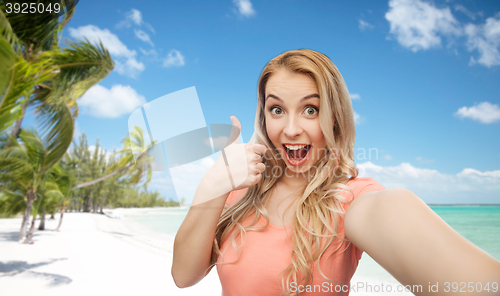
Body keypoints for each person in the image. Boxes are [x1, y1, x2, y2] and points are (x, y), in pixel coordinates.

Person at [171, 49, 500, 295]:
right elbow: (184, 276)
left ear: (335, 117)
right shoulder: (240, 189)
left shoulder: (352, 199)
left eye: (310, 109)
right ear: (263, 116)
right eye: (277, 109)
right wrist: (213, 183)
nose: (291, 128)